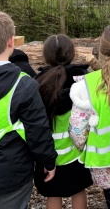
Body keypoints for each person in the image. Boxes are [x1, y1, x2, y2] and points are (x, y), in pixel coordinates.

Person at [0, 8, 57, 209]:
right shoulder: (23, 84)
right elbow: (38, 131)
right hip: (12, 172)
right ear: (11, 42)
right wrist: (48, 161)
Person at [69, 24, 110, 209]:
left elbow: (77, 131)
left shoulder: (86, 85)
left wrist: (82, 146)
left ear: (101, 49)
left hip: (107, 164)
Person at [34, 34, 93, 209]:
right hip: (78, 151)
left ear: (46, 56)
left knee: (53, 192)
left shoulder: (38, 83)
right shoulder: (83, 80)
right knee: (78, 189)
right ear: (72, 54)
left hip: (50, 153)